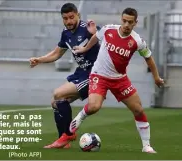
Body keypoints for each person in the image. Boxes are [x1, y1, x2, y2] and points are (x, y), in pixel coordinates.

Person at [69, 7, 164, 153]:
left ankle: (146, 145)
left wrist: (156, 77)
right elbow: (96, 37)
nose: (126, 25)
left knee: (138, 109)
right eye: (124, 21)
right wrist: (85, 49)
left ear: (135, 23)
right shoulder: (108, 30)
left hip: (120, 79)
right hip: (99, 75)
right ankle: (81, 116)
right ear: (121, 19)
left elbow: (148, 58)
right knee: (94, 106)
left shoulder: (137, 41)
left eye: (130, 22)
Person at [29, 3, 100, 148]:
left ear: (78, 15)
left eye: (71, 17)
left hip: (95, 74)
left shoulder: (88, 28)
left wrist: (94, 34)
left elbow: (104, 38)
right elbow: (57, 53)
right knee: (55, 103)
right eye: (65, 18)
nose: (69, 21)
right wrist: (39, 60)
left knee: (58, 94)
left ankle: (68, 134)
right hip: (81, 73)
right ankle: (63, 140)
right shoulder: (66, 33)